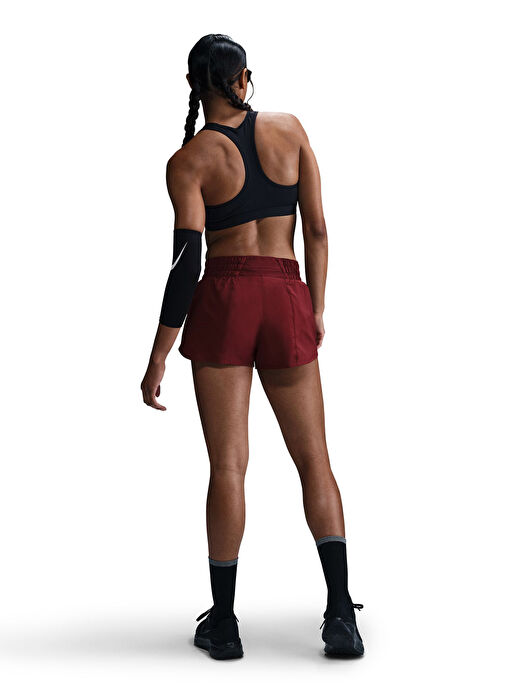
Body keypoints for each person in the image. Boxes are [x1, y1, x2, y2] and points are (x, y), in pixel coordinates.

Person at [141, 34, 364, 660]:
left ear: (195, 86)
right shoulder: (290, 130)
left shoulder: (188, 162)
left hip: (225, 300)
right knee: (315, 462)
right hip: (285, 291)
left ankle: (225, 623)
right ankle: (340, 614)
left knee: (228, 467)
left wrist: (159, 353)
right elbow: (317, 229)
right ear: (244, 79)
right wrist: (314, 306)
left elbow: (186, 266)